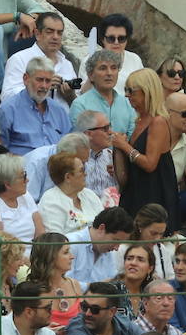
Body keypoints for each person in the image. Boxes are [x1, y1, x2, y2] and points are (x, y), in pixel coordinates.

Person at [114, 68, 178, 221]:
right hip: (136, 190)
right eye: (126, 90)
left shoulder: (158, 122)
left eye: (131, 91)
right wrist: (119, 148)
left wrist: (124, 146)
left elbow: (150, 164)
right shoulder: (139, 121)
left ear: (147, 91)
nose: (127, 95)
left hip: (153, 194)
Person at [61, 281, 139, 335]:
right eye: (84, 306)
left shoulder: (124, 323)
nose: (88, 313)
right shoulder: (76, 326)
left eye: (95, 309)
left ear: (112, 312)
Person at [39, 152, 102, 237]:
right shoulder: (51, 201)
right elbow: (56, 239)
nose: (85, 174)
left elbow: (106, 223)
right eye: (81, 171)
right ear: (68, 177)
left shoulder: (89, 194)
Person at [0, 153, 43, 241]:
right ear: (8, 184)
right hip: (11, 253)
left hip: (34, 252)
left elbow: (40, 232)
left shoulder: (25, 195)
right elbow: (0, 242)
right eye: (23, 176)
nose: (27, 180)